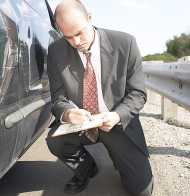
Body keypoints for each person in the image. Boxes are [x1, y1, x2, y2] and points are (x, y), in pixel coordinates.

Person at [46, 0, 153, 195]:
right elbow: (57, 98)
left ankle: (118, 155)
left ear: (89, 17)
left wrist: (117, 115)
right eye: (68, 37)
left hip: (117, 122)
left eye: (79, 33)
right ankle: (86, 168)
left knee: (142, 190)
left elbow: (137, 93)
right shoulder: (56, 51)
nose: (76, 42)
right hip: (82, 125)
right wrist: (68, 113)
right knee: (54, 141)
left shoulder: (125, 43)